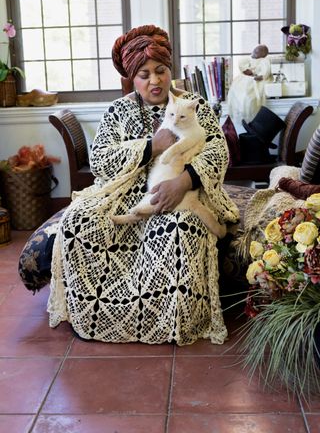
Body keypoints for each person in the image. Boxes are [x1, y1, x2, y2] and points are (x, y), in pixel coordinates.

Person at [47, 24, 239, 346]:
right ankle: (105, 316)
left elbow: (219, 151)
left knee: (179, 228)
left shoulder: (193, 105)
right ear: (131, 79)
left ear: (169, 70)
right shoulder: (117, 111)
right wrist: (152, 145)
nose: (155, 81)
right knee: (77, 224)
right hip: (124, 196)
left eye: (160, 71)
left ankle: (172, 319)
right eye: (144, 74)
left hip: (181, 193)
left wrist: (183, 181)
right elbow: (100, 161)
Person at [227, 44, 271, 123]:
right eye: (254, 50)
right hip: (247, 78)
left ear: (263, 54)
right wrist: (245, 70)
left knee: (250, 92)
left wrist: (261, 76)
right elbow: (243, 66)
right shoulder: (248, 60)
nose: (254, 52)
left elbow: (266, 71)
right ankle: (240, 107)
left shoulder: (264, 61)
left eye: (257, 51)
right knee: (238, 87)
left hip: (256, 79)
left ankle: (249, 112)